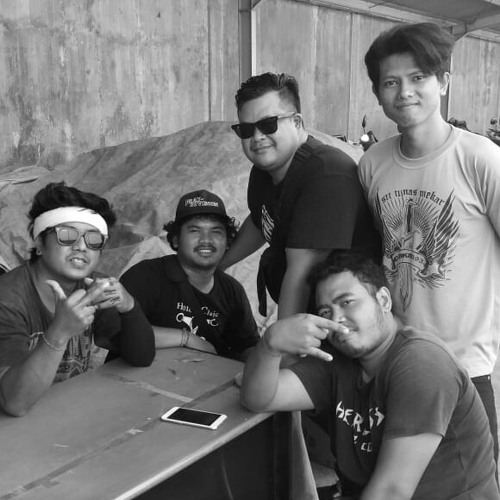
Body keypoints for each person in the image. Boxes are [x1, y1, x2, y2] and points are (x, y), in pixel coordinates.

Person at [241, 251, 499, 499]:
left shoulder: (421, 364)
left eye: (346, 302)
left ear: (384, 300)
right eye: (326, 312)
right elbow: (259, 399)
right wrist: (270, 346)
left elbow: (392, 491)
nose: (337, 320)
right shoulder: (338, 359)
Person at [357, 22, 500, 461]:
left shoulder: (480, 158)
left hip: (464, 367)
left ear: (443, 82)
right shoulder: (372, 163)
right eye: (391, 82)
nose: (405, 92)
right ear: (378, 93)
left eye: (418, 77)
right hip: (396, 360)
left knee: (473, 483)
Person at [221, 72, 381, 319]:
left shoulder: (327, 174)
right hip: (312, 314)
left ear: (297, 122)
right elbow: (260, 220)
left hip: (346, 321)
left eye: (268, 124)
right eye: (246, 129)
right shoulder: (264, 171)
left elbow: (301, 273)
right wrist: (216, 266)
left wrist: (281, 340)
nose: (257, 137)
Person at [0, 182, 155, 417]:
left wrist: (129, 306)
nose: (82, 246)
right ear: (39, 244)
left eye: (94, 240)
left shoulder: (93, 286)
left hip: (62, 412)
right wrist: (59, 332)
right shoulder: (7, 299)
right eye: (67, 235)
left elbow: (141, 357)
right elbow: (14, 403)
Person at [121, 189, 259, 361]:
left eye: (216, 231)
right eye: (195, 231)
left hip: (203, 377)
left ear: (227, 241)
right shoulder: (146, 276)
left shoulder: (231, 290)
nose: (206, 240)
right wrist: (186, 338)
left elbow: (246, 348)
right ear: (176, 239)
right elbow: (110, 333)